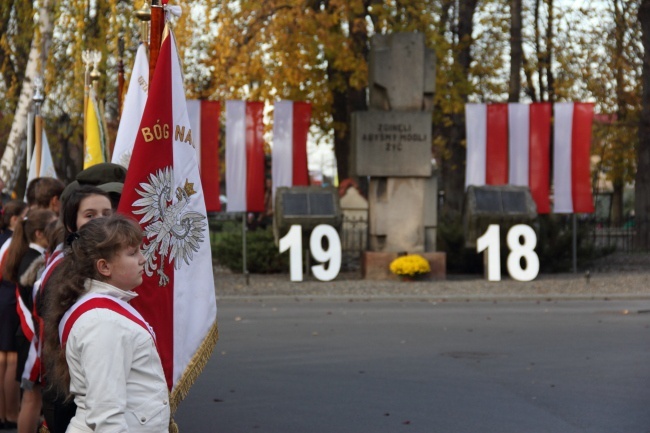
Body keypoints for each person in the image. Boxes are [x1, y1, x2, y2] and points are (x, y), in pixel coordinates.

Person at [43, 215, 170, 433]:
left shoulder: (105, 310)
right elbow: (106, 414)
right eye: (132, 253)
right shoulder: (103, 322)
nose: (143, 259)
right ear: (104, 266)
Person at [39, 186, 113, 433]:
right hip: (71, 391)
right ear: (72, 225)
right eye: (90, 215)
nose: (100, 221)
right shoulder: (64, 269)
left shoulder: (117, 268)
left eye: (106, 213)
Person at [3, 209, 56, 433]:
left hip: (29, 334)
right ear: (39, 233)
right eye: (53, 226)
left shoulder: (32, 256)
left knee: (33, 398)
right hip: (31, 336)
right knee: (32, 399)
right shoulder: (34, 260)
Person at [0, 200, 28, 430]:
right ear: (15, 219)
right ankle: (10, 413)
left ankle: (4, 411)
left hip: (3, 299)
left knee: (3, 359)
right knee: (10, 359)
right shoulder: (13, 243)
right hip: (9, 299)